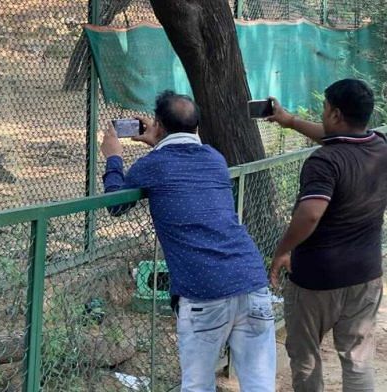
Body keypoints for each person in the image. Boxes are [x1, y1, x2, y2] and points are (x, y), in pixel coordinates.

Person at [101, 90, 276, 392]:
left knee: (196, 385)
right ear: (196, 125)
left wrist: (113, 155)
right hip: (251, 280)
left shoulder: (153, 165)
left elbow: (116, 205)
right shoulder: (215, 158)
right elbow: (180, 166)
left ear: (157, 124)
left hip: (203, 291)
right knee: (260, 385)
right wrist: (159, 139)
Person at [268, 78, 387, 391]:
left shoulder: (324, 161)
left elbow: (310, 214)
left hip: (316, 279)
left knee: (305, 357)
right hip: (366, 274)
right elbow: (339, 139)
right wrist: (290, 121)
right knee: (358, 361)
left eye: (324, 109)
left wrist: (282, 250)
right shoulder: (380, 146)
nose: (322, 115)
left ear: (335, 114)